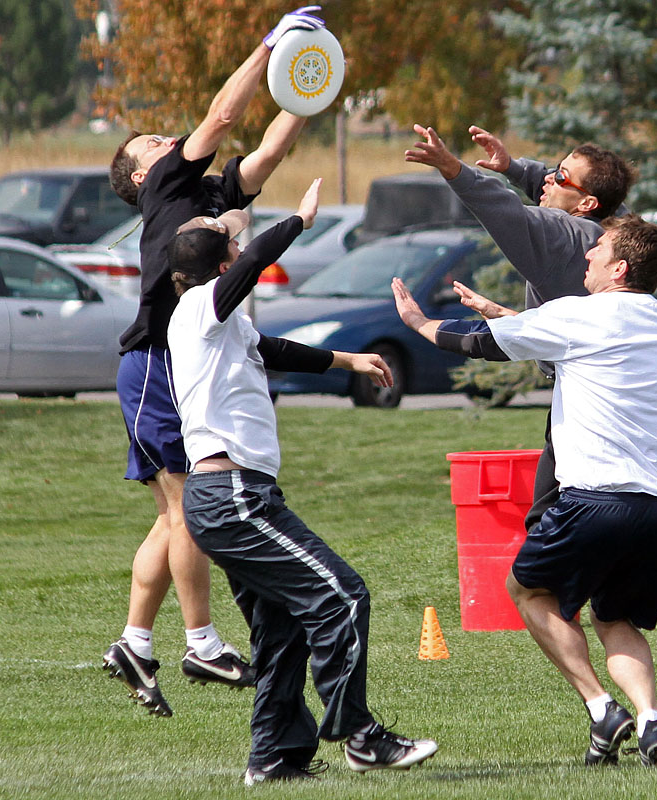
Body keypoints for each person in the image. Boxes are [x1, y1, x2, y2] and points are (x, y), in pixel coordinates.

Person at [404, 124, 657, 743]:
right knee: (640, 580)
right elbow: (572, 215)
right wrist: (520, 168)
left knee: (533, 585)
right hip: (652, 463)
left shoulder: (566, 249)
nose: (545, 179)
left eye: (560, 176)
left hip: (590, 462)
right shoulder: (655, 306)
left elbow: (503, 217)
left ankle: (601, 707)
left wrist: (454, 168)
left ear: (602, 240)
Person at [166, 179, 439, 784]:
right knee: (342, 594)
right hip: (232, 497)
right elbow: (255, 259)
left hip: (230, 499)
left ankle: (275, 757)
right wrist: (298, 220)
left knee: (283, 627)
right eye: (229, 248)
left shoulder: (216, 324)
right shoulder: (200, 306)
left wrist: (349, 361)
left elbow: (275, 349)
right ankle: (360, 736)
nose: (238, 251)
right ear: (222, 264)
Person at [102, 6, 326, 717]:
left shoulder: (208, 193)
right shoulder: (167, 183)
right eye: (153, 145)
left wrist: (314, 79)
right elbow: (226, 114)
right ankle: (201, 642)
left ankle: (136, 642)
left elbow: (269, 150)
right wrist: (268, 45)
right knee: (192, 513)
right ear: (144, 176)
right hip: (152, 368)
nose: (167, 141)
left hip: (170, 370)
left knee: (174, 517)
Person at [394, 214, 657, 766]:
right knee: (614, 618)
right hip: (655, 505)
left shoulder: (577, 315)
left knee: (527, 592)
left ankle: (602, 708)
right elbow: (566, 338)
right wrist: (507, 314)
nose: (588, 257)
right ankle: (650, 720)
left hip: (593, 497)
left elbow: (481, 346)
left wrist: (420, 323)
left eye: (598, 250)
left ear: (620, 267)